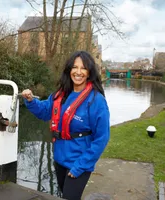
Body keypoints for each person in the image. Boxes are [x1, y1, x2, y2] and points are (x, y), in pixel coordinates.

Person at [21, 51, 110, 200]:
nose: (78, 72)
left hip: (79, 163)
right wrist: (30, 101)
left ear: (89, 73)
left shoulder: (97, 101)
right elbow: (44, 111)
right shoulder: (61, 94)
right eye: (75, 67)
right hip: (59, 160)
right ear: (69, 70)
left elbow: (102, 138)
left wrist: (80, 166)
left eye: (83, 68)